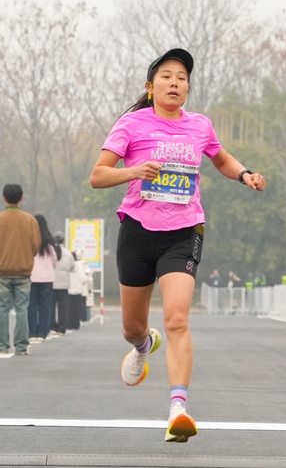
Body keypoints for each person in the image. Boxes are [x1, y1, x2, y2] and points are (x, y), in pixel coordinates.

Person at [89, 48, 267, 443]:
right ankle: (142, 346)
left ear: (187, 88)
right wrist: (134, 171)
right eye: (167, 76)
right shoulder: (131, 124)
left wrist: (246, 175)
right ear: (151, 87)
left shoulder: (200, 125)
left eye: (182, 77)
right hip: (137, 231)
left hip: (184, 232)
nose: (175, 83)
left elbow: (221, 159)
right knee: (131, 327)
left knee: (177, 319)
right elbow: (98, 176)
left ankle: (178, 409)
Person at [0, 184, 41, 356]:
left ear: (4, 198)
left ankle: (2, 346)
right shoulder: (30, 220)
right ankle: (21, 346)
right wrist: (26, 256)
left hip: (2, 272)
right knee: (22, 310)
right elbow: (36, 245)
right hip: (23, 272)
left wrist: (0, 256)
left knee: (2, 309)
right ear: (21, 198)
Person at [28, 214, 58, 344]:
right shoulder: (49, 243)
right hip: (47, 278)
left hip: (32, 277)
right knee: (45, 306)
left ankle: (32, 332)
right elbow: (54, 259)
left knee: (31, 305)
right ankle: (42, 333)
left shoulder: (29, 240)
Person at [49, 233, 75, 337]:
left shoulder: (50, 251)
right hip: (64, 283)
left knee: (51, 306)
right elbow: (72, 266)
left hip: (51, 282)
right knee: (63, 307)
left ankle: (52, 326)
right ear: (63, 241)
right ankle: (62, 327)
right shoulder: (68, 253)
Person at [67, 250, 92, 330]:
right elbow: (84, 278)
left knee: (69, 308)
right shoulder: (80, 267)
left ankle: (69, 324)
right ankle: (76, 324)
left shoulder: (68, 267)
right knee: (77, 308)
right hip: (78, 291)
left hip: (68, 290)